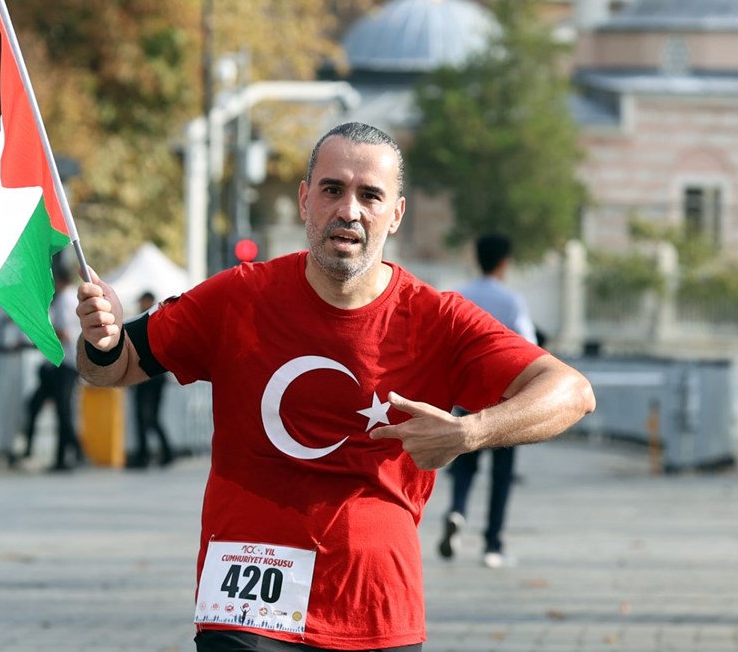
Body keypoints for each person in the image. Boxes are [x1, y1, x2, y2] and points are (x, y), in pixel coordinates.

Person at [74, 121, 596, 652]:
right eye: (332, 189)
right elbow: (115, 367)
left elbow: (573, 392)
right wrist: (101, 339)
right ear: (305, 200)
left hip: (375, 611)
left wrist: (469, 433)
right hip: (245, 609)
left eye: (370, 195)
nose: (349, 210)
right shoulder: (238, 296)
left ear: (396, 214)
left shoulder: (437, 319)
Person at [437, 233, 538, 570]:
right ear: (504, 263)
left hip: (468, 397)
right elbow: (528, 346)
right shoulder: (511, 301)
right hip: (505, 402)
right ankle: (492, 545)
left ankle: (457, 510)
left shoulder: (460, 296)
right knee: (501, 475)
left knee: (464, 465)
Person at [22, 265, 85, 471]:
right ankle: (65, 455)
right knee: (55, 409)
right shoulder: (72, 299)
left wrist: (41, 336)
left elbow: (63, 333)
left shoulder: (64, 301)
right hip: (64, 363)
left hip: (64, 364)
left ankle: (72, 452)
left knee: (62, 411)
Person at [129, 291, 174, 469]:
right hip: (147, 376)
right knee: (145, 418)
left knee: (148, 417)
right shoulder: (148, 320)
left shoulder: (154, 320)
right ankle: (151, 454)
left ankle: (153, 454)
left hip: (151, 376)